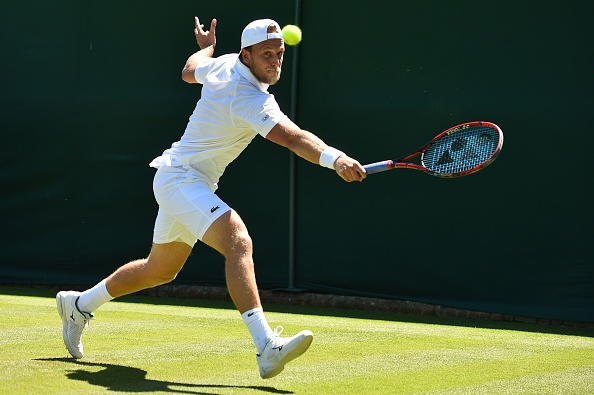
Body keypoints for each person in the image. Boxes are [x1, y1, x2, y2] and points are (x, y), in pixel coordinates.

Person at [56, 16, 366, 379]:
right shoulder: (248, 98)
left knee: (159, 270)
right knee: (239, 241)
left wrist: (205, 48)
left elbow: (190, 71)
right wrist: (336, 158)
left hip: (188, 181)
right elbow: (294, 138)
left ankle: (78, 304)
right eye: (266, 54)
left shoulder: (223, 64)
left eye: (279, 53)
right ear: (246, 56)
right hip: (179, 180)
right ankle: (267, 346)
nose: (275, 61)